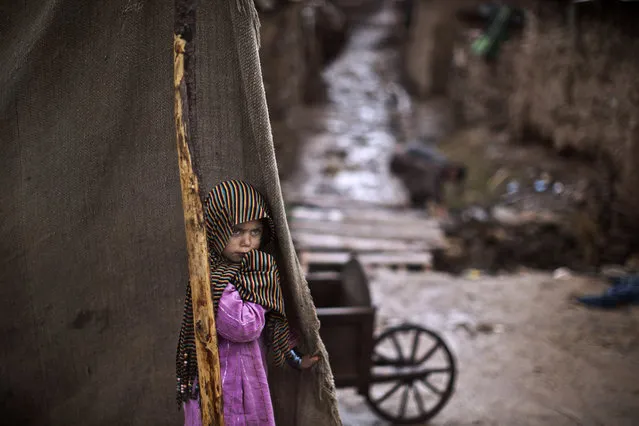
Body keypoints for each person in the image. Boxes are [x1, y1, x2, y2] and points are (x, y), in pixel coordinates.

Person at [176, 180, 319, 426]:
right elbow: (244, 327)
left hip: (244, 384)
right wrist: (262, 285)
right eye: (237, 231)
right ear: (217, 229)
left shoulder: (248, 272)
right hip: (223, 389)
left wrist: (295, 359)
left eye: (255, 232)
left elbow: (272, 327)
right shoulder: (214, 278)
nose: (247, 242)